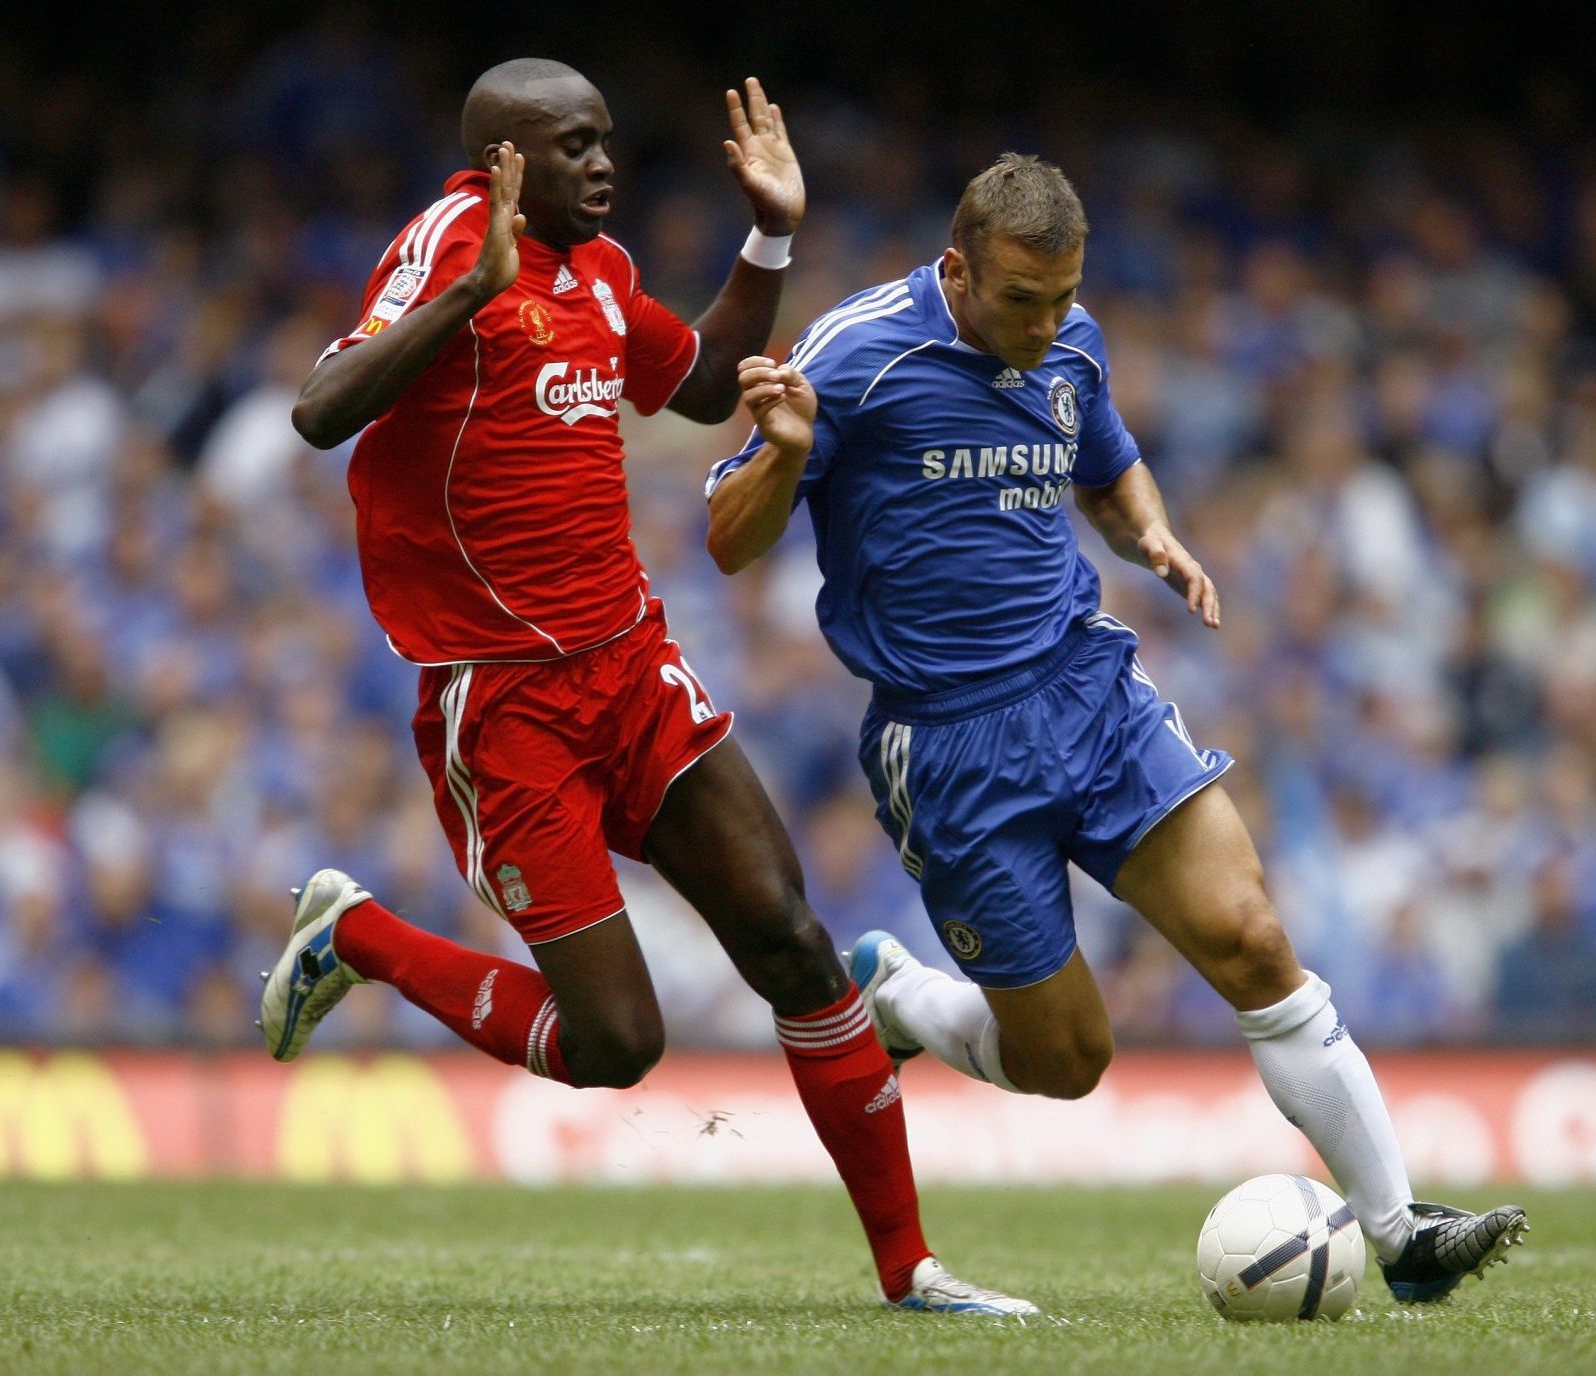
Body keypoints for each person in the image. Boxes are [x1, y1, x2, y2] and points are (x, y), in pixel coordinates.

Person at [259, 59, 1032, 1317]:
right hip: (501, 704)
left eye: (608, 140)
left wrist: (772, 230)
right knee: (618, 1043)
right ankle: (358, 937)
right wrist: (466, 293)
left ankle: (913, 1270)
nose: (604, 163)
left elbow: (711, 380)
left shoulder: (602, 273)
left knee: (790, 934)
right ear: (503, 160)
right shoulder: (455, 242)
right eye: (574, 146)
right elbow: (317, 409)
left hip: (630, 665)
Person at [705, 152, 1529, 1302]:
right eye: (1021, 302)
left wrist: (1152, 534)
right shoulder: (854, 356)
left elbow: (1107, 463)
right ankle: (897, 994)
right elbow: (728, 541)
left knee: (1249, 938)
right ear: (956, 268)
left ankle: (1401, 1236)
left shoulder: (1071, 340)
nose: (1048, 327)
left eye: (1063, 298)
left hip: (1089, 692)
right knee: (1067, 1059)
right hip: (948, 746)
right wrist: (786, 454)